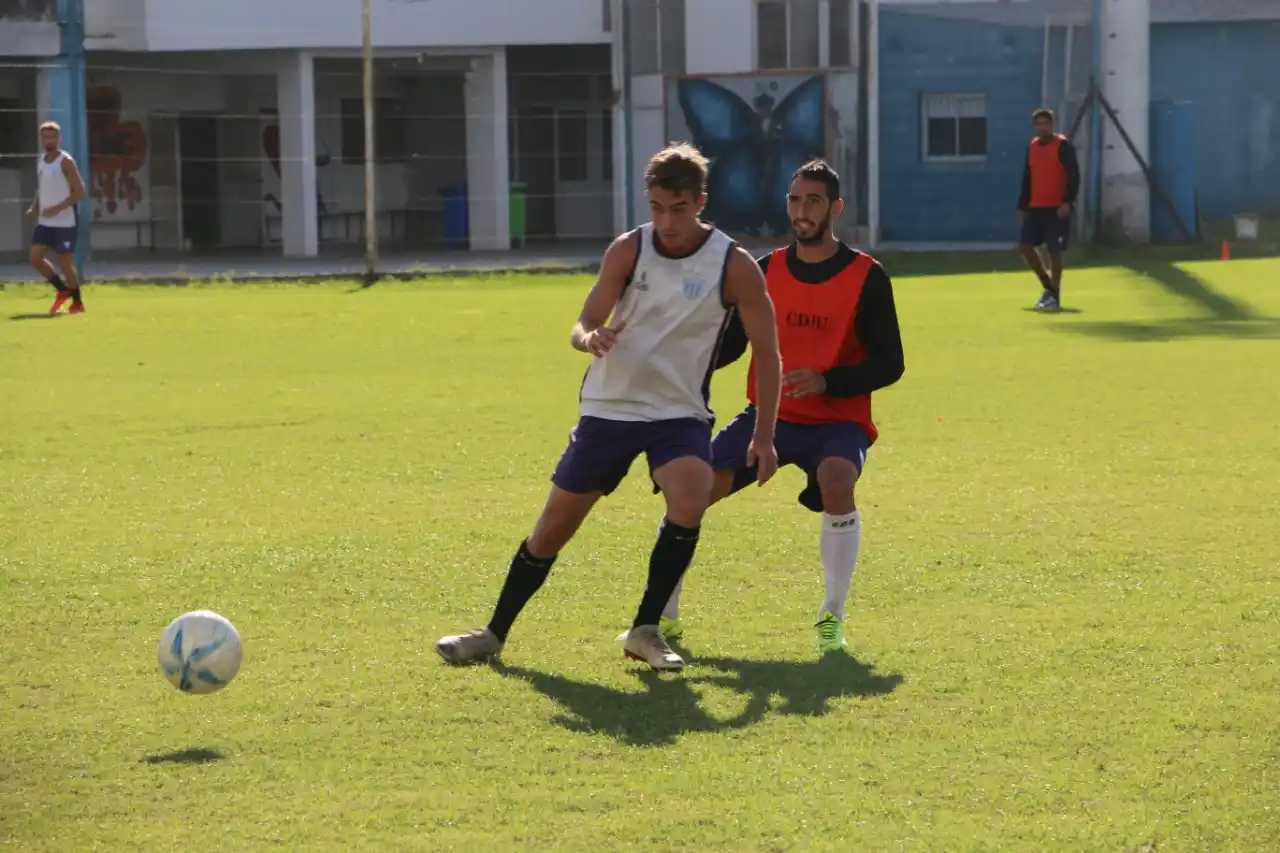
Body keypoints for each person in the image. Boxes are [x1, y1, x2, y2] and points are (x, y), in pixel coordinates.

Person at [436, 143, 783, 672]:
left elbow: (769, 353)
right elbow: (583, 322)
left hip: (679, 411)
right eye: (657, 208)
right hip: (610, 408)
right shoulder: (628, 249)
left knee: (690, 494)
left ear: (700, 202)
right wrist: (588, 338)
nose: (667, 222)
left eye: (679, 209)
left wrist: (764, 435)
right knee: (552, 530)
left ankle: (645, 630)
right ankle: (492, 634)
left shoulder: (733, 265)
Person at [656, 159, 905, 654]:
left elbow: (890, 363)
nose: (801, 210)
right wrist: (680, 365)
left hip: (837, 421)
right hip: (767, 417)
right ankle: (662, 617)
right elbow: (731, 343)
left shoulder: (867, 276)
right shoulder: (765, 270)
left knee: (838, 478)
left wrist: (828, 381)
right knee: (690, 491)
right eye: (794, 200)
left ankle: (832, 617)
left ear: (835, 208)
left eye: (813, 201)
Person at [1016, 108, 1080, 312]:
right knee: (1025, 247)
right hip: (1035, 207)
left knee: (1054, 250)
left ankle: (1055, 295)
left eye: (1046, 123)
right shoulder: (1032, 146)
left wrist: (1067, 201)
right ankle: (1048, 287)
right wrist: (1021, 206)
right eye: (1038, 124)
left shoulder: (1062, 146)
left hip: (1056, 208)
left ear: (1052, 125)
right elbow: (1028, 178)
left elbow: (1073, 175)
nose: (1042, 127)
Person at [27, 121, 88, 315]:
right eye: (45, 137)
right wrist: (35, 206)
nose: (49, 140)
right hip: (46, 221)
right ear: (41, 139)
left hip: (65, 221)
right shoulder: (40, 161)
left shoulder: (65, 161)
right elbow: (42, 187)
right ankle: (62, 289)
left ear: (59, 139)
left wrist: (57, 208)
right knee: (35, 257)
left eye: (52, 137)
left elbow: (80, 191)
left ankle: (77, 302)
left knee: (64, 262)